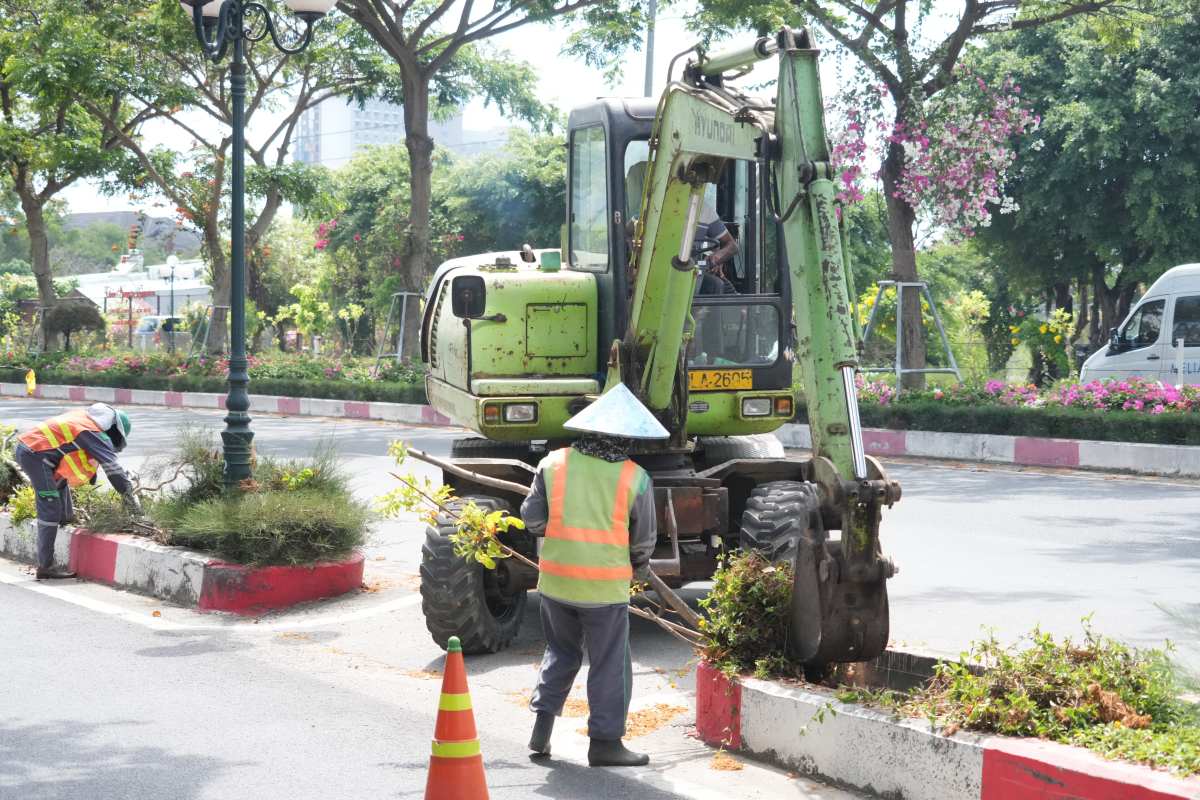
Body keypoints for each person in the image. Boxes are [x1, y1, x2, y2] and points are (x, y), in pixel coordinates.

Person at [521, 383, 668, 767]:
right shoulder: (635, 477)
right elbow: (643, 541)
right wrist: (639, 567)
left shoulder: (552, 463)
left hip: (554, 583)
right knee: (610, 663)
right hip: (603, 589)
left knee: (561, 651)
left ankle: (542, 730)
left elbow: (532, 519)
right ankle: (605, 744)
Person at [15, 403, 141, 580]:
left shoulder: (81, 418)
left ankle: (65, 517)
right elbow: (114, 470)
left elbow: (71, 452)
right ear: (112, 428)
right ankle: (45, 567)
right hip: (35, 456)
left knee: (61, 497)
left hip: (35, 452)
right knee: (49, 508)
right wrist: (132, 503)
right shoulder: (91, 430)